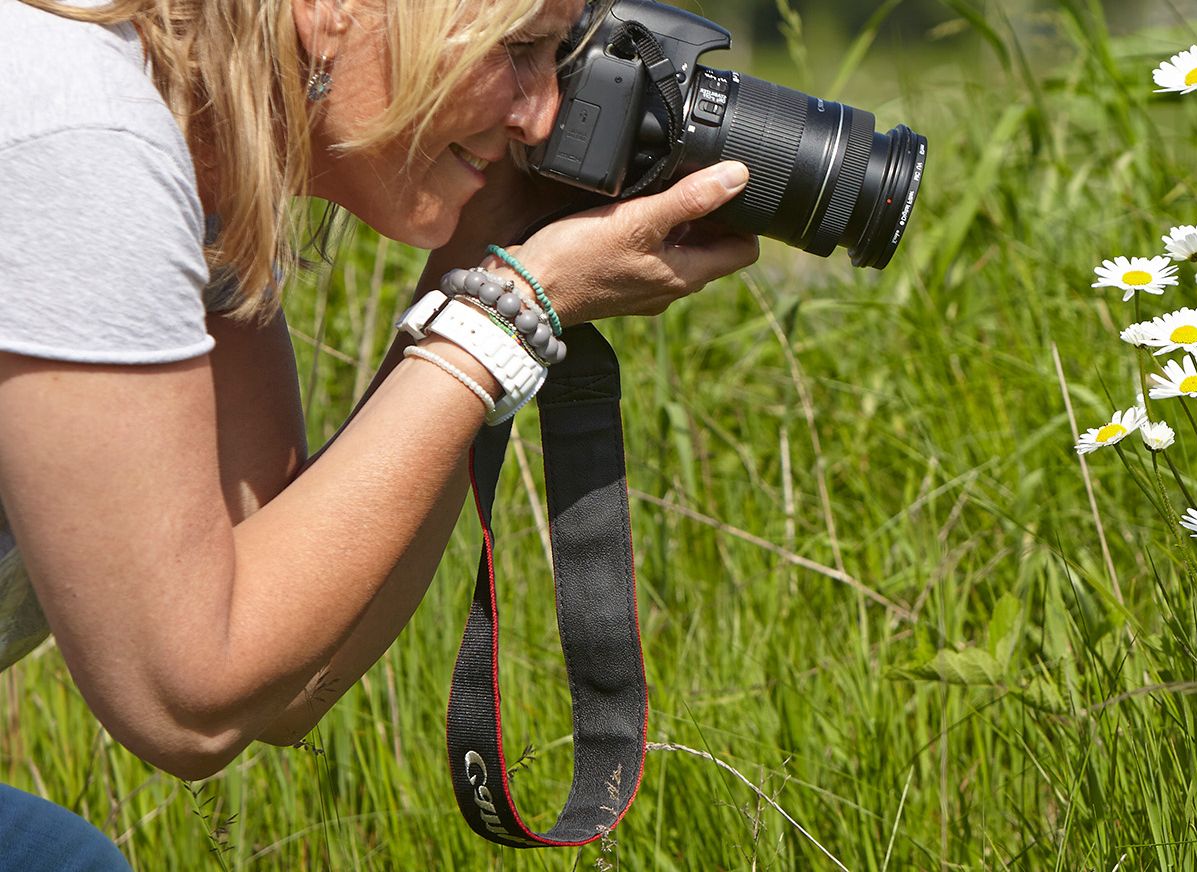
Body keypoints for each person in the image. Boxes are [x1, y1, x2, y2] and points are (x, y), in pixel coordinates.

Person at [0, 0, 757, 865]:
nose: (542, 115)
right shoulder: (83, 138)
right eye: (517, 48)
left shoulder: (198, 155)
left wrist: (485, 261)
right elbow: (185, 702)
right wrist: (505, 317)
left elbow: (287, 680)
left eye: (558, 56)